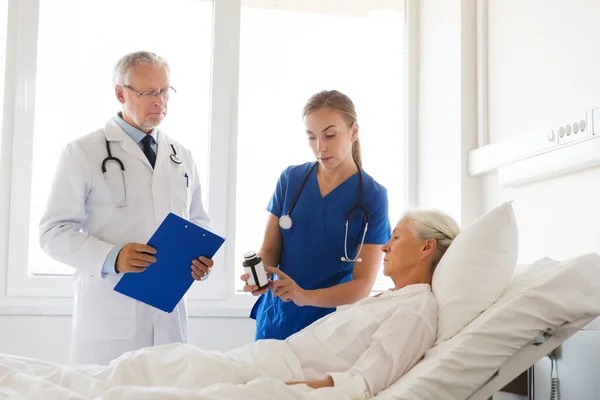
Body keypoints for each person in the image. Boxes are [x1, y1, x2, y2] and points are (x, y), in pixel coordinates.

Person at [4, 210, 459, 400]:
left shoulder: (416, 309)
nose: (383, 247)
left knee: (134, 382)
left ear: (426, 249)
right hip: (255, 361)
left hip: (269, 375)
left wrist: (289, 388)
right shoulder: (392, 299)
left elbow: (362, 383)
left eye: (395, 238)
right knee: (135, 369)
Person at [39, 51, 215, 365]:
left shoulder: (181, 155)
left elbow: (197, 222)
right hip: (110, 310)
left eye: (164, 91)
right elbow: (53, 232)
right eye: (148, 93)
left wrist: (200, 259)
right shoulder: (83, 152)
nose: (159, 101)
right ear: (121, 93)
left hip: (167, 314)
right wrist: (113, 257)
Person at [242, 90, 392, 340]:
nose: (319, 147)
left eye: (330, 135)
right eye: (311, 137)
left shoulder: (373, 196)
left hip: (330, 327)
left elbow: (362, 285)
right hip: (278, 319)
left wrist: (304, 296)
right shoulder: (291, 179)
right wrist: (260, 274)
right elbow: (269, 249)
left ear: (354, 132)